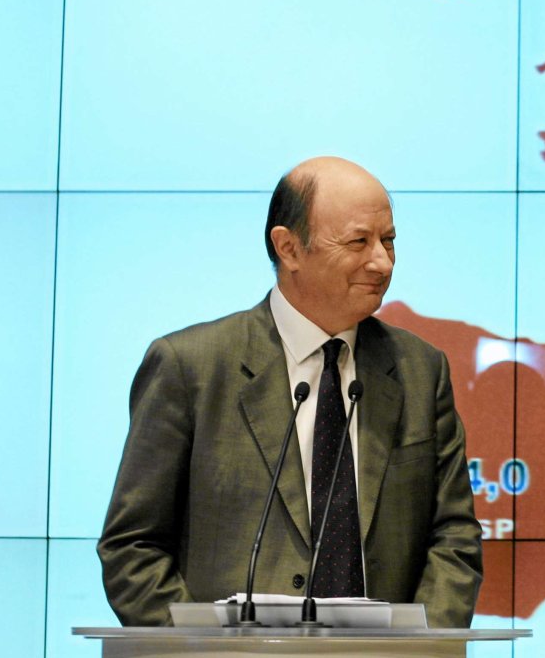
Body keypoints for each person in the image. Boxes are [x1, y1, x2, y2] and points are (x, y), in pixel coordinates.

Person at [98, 156, 483, 627]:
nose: (381, 262)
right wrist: (199, 650)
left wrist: (417, 647)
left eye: (389, 241)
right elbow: (133, 546)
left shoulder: (420, 370)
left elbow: (454, 537)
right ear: (289, 248)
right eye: (359, 241)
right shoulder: (191, 367)